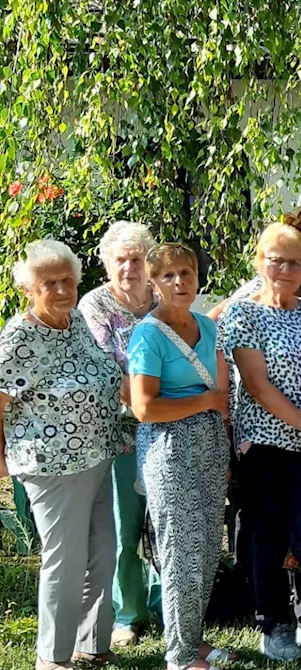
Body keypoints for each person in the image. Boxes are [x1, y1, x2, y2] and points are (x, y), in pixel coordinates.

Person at [219, 222, 301, 661]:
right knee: (267, 536)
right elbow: (256, 386)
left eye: (297, 262)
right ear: (260, 263)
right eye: (278, 260)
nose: (287, 269)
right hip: (264, 444)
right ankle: (273, 625)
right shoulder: (243, 314)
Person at [0, 240, 124, 670]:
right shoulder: (20, 336)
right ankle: (51, 658)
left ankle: (91, 643)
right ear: (29, 289)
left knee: (102, 550)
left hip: (96, 453)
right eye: (48, 282)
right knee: (64, 558)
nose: (60, 289)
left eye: (66, 280)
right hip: (50, 465)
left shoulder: (75, 324)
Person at [127, 243, 234, 670]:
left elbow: (225, 388)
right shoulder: (147, 335)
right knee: (179, 552)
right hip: (170, 449)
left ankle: (190, 639)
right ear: (153, 282)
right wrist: (205, 402)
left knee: (207, 546)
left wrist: (215, 414)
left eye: (186, 273)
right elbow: (144, 407)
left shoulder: (206, 326)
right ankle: (178, 664)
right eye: (167, 275)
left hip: (210, 442)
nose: (178, 282)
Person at [77, 221, 160, 648]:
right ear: (108, 265)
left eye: (137, 258)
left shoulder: (165, 296)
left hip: (171, 428)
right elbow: (112, 369)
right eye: (121, 260)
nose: (129, 267)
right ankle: (129, 613)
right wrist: (153, 409)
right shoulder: (95, 305)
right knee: (125, 525)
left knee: (165, 523)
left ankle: (168, 603)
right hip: (122, 431)